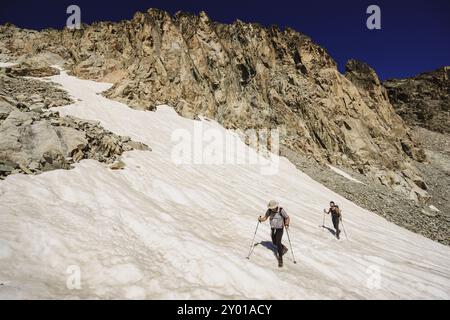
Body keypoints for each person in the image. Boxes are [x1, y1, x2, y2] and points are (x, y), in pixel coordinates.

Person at [258, 200, 290, 267]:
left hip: (279, 228)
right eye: (271, 208)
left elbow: (287, 217)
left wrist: (286, 224)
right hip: (273, 228)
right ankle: (283, 247)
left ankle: (280, 259)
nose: (272, 209)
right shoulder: (269, 211)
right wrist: (260, 219)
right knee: (274, 242)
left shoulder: (281, 210)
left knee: (278, 242)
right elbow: (265, 217)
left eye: (273, 207)